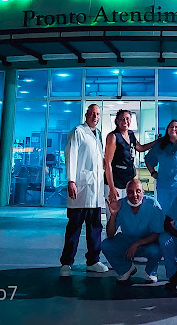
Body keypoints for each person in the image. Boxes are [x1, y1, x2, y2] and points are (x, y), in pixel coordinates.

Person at [59, 104, 109, 277]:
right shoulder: (78, 131)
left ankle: (93, 260)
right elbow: (70, 155)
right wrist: (71, 180)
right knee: (74, 227)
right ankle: (66, 263)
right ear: (86, 114)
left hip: (95, 191)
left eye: (97, 114)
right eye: (92, 113)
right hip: (80, 188)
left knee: (95, 227)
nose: (95, 116)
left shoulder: (98, 134)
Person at [101, 178, 164, 284]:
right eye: (130, 192)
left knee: (158, 249)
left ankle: (151, 272)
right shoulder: (121, 205)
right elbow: (110, 234)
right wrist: (113, 215)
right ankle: (126, 269)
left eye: (138, 191)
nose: (134, 195)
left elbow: (157, 233)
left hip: (146, 242)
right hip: (127, 240)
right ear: (126, 193)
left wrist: (136, 244)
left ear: (143, 192)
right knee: (106, 245)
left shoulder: (152, 205)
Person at [104, 109, 160, 205]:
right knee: (114, 212)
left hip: (128, 180)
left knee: (127, 211)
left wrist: (157, 142)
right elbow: (107, 163)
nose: (125, 121)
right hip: (116, 181)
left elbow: (140, 148)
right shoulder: (113, 136)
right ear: (117, 121)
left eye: (128, 119)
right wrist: (111, 188)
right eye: (122, 119)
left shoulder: (131, 134)